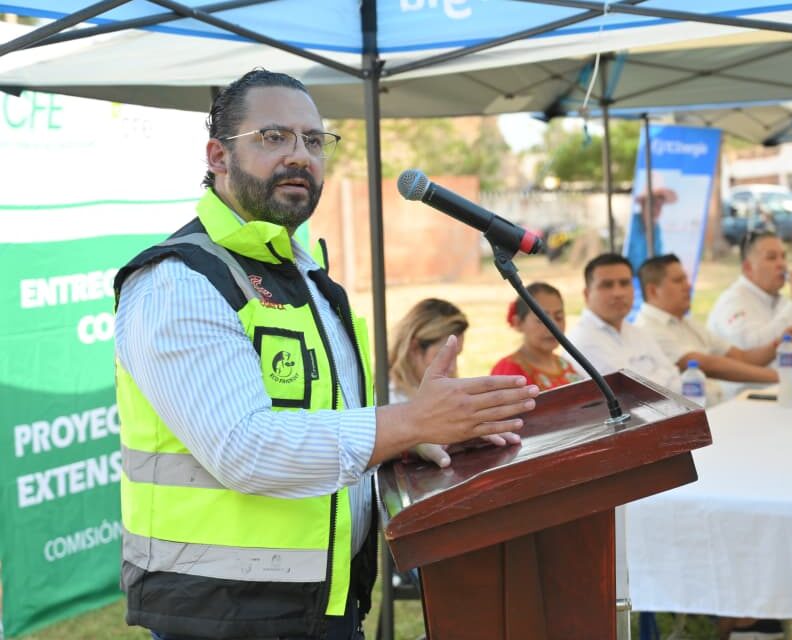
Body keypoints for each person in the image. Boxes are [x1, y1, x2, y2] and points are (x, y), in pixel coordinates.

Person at [113, 69, 537, 640]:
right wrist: (408, 419)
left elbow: (328, 424)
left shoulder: (306, 276)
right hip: (227, 619)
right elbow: (244, 450)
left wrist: (413, 434)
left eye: (314, 141)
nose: (300, 156)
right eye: (273, 137)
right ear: (218, 155)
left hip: (324, 605)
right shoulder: (180, 282)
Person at [633, 254, 779, 403]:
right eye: (678, 281)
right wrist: (781, 376)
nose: (688, 286)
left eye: (686, 279)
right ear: (652, 291)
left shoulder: (686, 322)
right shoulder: (647, 328)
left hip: (718, 409)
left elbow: (741, 357)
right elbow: (709, 366)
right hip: (696, 419)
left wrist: (778, 345)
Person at [566, 253, 680, 393]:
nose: (618, 293)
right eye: (607, 285)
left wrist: (652, 382)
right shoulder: (583, 340)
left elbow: (674, 376)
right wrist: (662, 378)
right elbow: (628, 392)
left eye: (625, 283)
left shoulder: (637, 332)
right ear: (587, 294)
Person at [706, 232, 792, 359]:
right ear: (748, 268)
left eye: (783, 256)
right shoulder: (733, 302)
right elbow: (749, 350)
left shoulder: (781, 303)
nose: (781, 264)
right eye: (771, 258)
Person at [491, 282, 584, 390]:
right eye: (541, 319)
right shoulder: (508, 371)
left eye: (559, 317)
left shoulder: (564, 364)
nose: (553, 326)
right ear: (518, 323)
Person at [388, 298, 469, 403]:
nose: (453, 367)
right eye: (443, 357)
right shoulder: (390, 402)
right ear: (414, 348)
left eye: (456, 356)